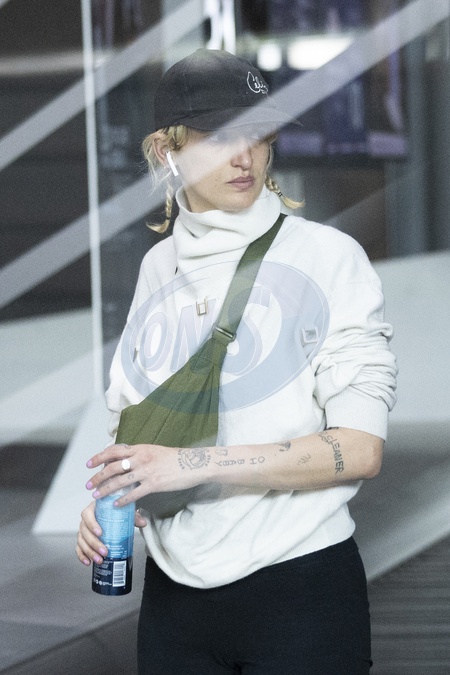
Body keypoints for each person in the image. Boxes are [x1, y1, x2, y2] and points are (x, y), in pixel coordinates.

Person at [76, 49, 397, 674]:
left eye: (257, 134)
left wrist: (187, 465)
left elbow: (361, 450)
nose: (244, 156)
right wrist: (118, 501)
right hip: (174, 599)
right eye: (219, 136)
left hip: (301, 588)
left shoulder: (329, 258)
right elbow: (136, 429)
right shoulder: (159, 267)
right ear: (167, 151)